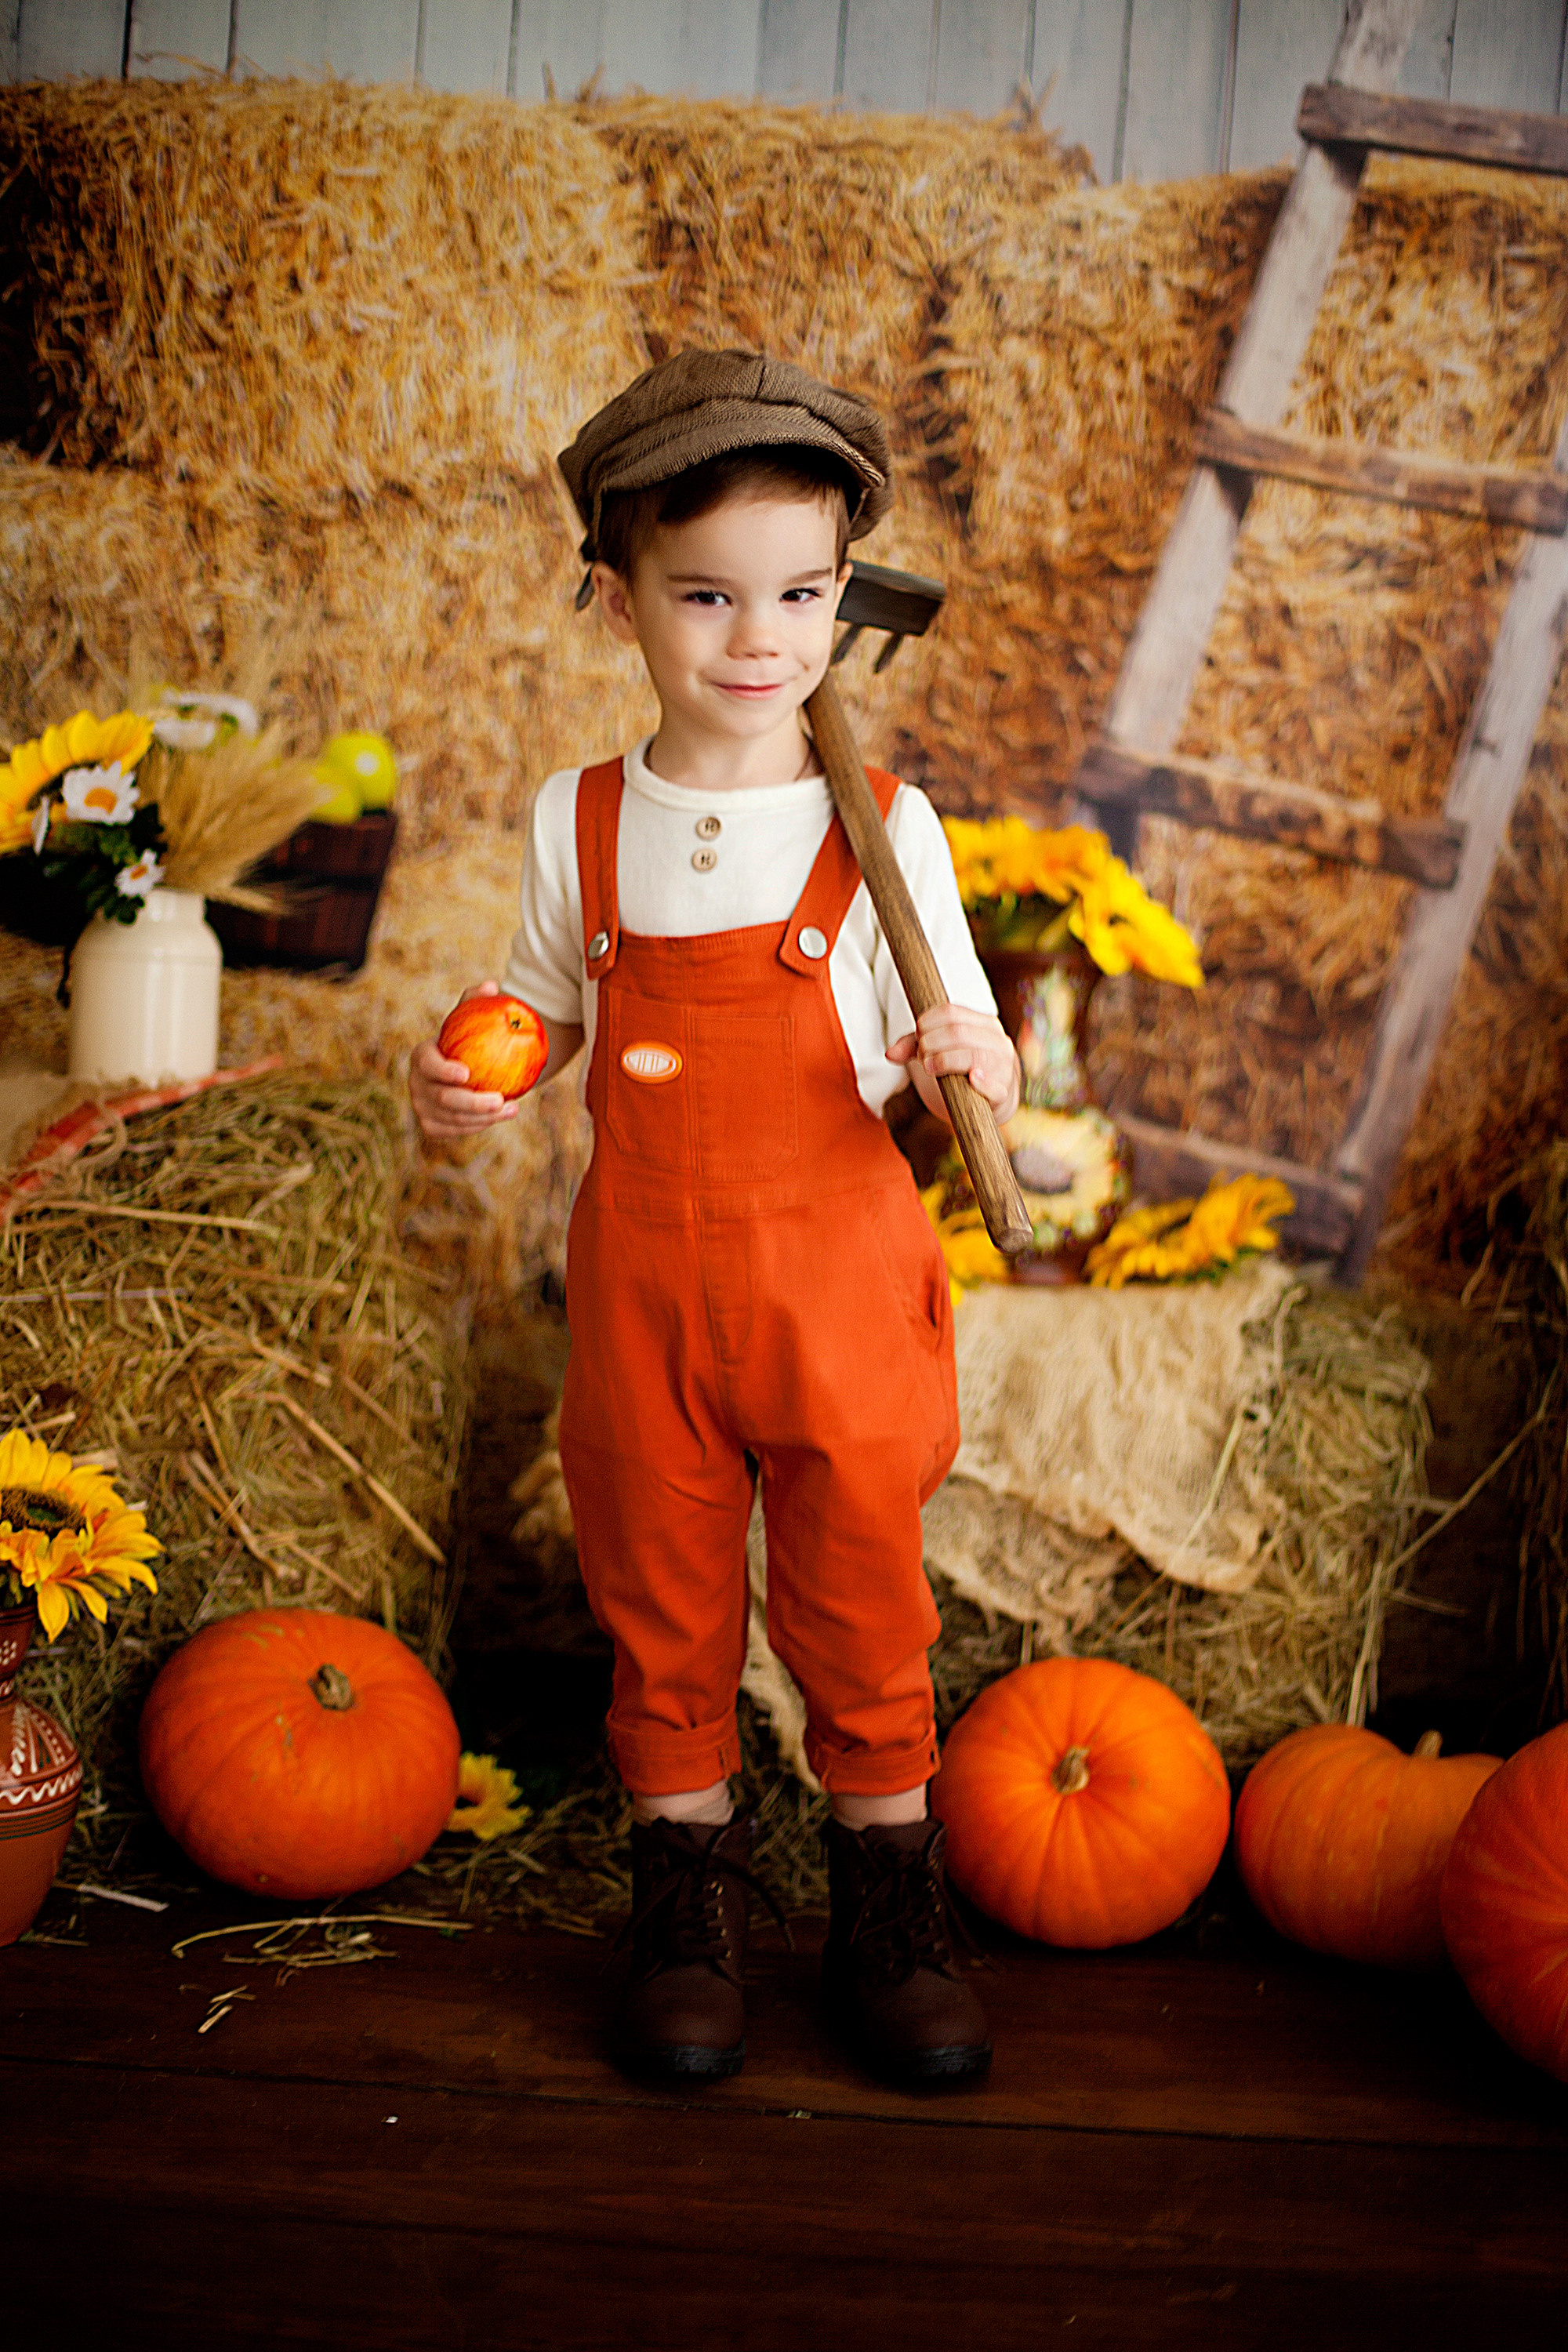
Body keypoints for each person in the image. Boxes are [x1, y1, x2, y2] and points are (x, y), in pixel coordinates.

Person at [410, 350, 1018, 2088]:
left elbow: (950, 1061)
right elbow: (538, 1008)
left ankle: (888, 1906)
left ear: (843, 600)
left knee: (855, 1593)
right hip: (647, 1289)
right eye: (707, 596)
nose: (760, 640)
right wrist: (480, 1070)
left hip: (832, 1285)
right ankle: (688, 1897)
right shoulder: (581, 819)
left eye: (802, 596)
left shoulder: (886, 832)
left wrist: (966, 1052)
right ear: (614, 601)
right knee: (660, 1588)